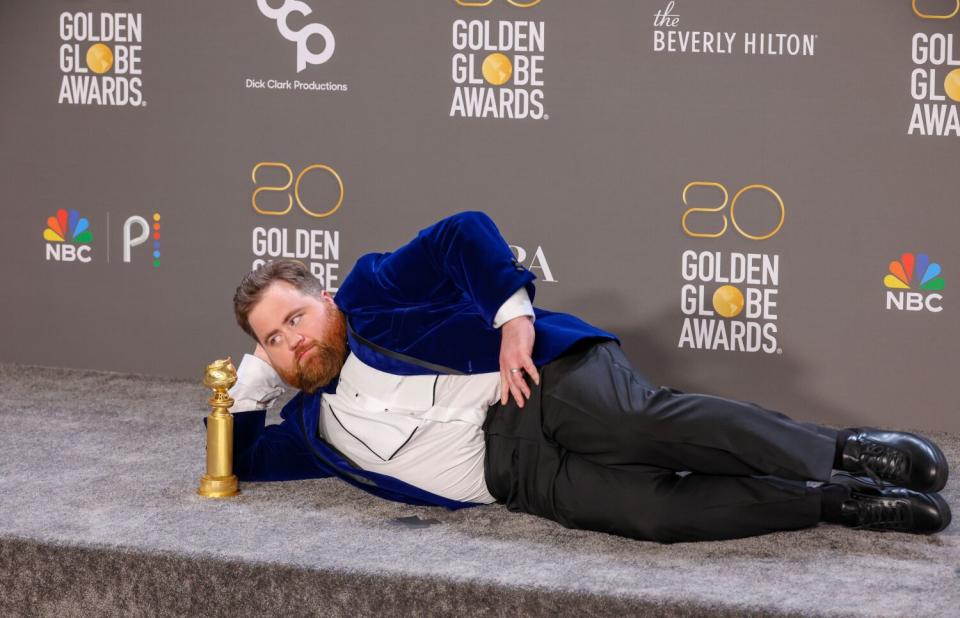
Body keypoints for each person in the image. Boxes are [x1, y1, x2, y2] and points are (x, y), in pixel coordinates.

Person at [221, 211, 951, 543]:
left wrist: (512, 318)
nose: (293, 341)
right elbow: (234, 458)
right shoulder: (313, 432)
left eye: (295, 318)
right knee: (656, 515)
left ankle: (847, 450)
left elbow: (460, 232)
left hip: (540, 383)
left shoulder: (371, 292)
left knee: (643, 427)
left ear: (324, 298)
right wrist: (253, 382)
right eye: (274, 340)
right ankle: (839, 504)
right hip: (519, 480)